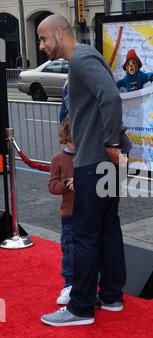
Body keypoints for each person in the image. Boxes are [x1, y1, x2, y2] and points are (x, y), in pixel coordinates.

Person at [38, 15, 129, 327]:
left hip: (94, 161)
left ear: (59, 33)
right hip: (104, 162)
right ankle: (113, 296)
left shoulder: (80, 58)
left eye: (44, 39)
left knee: (85, 234)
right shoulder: (87, 57)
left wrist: (112, 142)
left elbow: (112, 97)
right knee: (107, 229)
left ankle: (80, 308)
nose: (42, 46)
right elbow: (105, 98)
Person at [48, 115, 74, 305]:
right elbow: (52, 187)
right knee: (69, 251)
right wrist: (66, 184)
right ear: (65, 138)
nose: (73, 144)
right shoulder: (58, 158)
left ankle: (88, 284)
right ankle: (68, 285)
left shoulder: (87, 157)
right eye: (70, 139)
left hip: (88, 213)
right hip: (69, 214)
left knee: (89, 251)